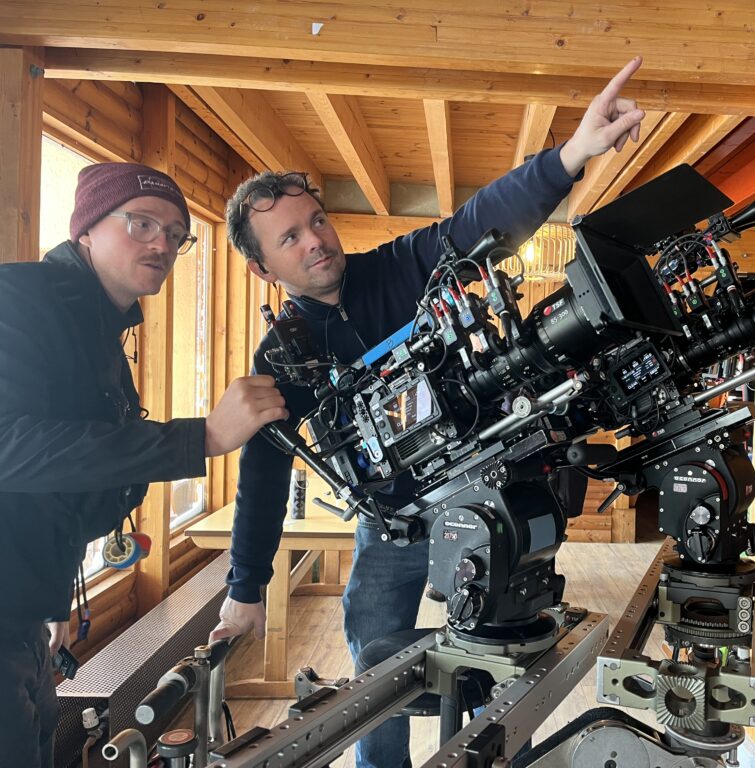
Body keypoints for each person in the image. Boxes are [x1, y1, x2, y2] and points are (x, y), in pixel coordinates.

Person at [212, 57, 647, 768]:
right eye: (289, 237)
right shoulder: (283, 356)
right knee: (374, 661)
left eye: (316, 221)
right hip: (392, 521)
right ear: (262, 269)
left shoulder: (402, 267)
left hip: (482, 497)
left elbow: (478, 223)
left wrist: (570, 156)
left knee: (504, 659)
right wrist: (246, 586)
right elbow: (262, 472)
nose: (315, 239)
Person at [0, 162, 289, 768]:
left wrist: (50, 596)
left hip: (24, 610)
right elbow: (9, 447)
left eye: (176, 234)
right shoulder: (16, 299)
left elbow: (54, 484)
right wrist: (203, 438)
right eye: (142, 224)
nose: (162, 243)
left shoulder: (97, 328)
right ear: (86, 229)